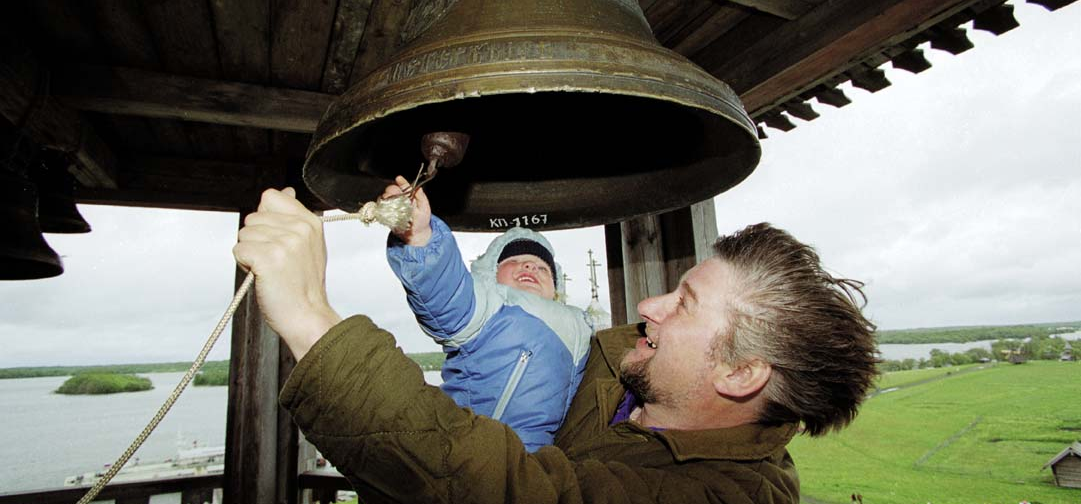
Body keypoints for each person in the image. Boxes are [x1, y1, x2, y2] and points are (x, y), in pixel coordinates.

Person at [234, 187, 879, 504]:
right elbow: (457, 303)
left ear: (742, 374)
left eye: (684, 303)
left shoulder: (724, 496)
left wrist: (309, 315)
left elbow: (508, 487)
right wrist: (423, 245)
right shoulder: (615, 368)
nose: (648, 306)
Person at [381, 176, 593, 452]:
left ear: (556, 287)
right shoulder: (489, 307)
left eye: (542, 267)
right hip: (475, 453)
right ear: (490, 274)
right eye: (514, 261)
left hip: (540, 466)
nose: (529, 265)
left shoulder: (582, 327)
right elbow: (449, 295)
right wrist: (421, 239)